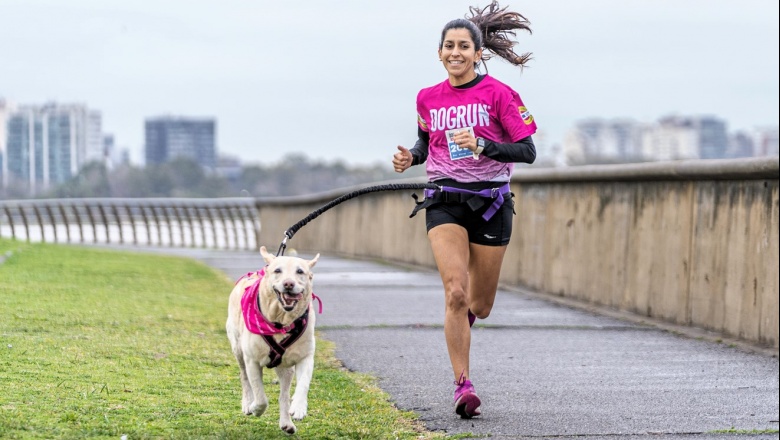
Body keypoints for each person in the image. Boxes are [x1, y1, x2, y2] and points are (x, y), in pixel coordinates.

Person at [391, 0, 537, 419]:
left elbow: (526, 150)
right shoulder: (427, 98)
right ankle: (463, 386)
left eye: (463, 46)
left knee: (480, 305)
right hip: (443, 202)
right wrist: (411, 158)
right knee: (455, 292)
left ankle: (462, 326)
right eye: (448, 46)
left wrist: (485, 146)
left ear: (477, 53)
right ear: (439, 53)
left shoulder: (500, 94)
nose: (455, 53)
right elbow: (425, 143)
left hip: (491, 204)